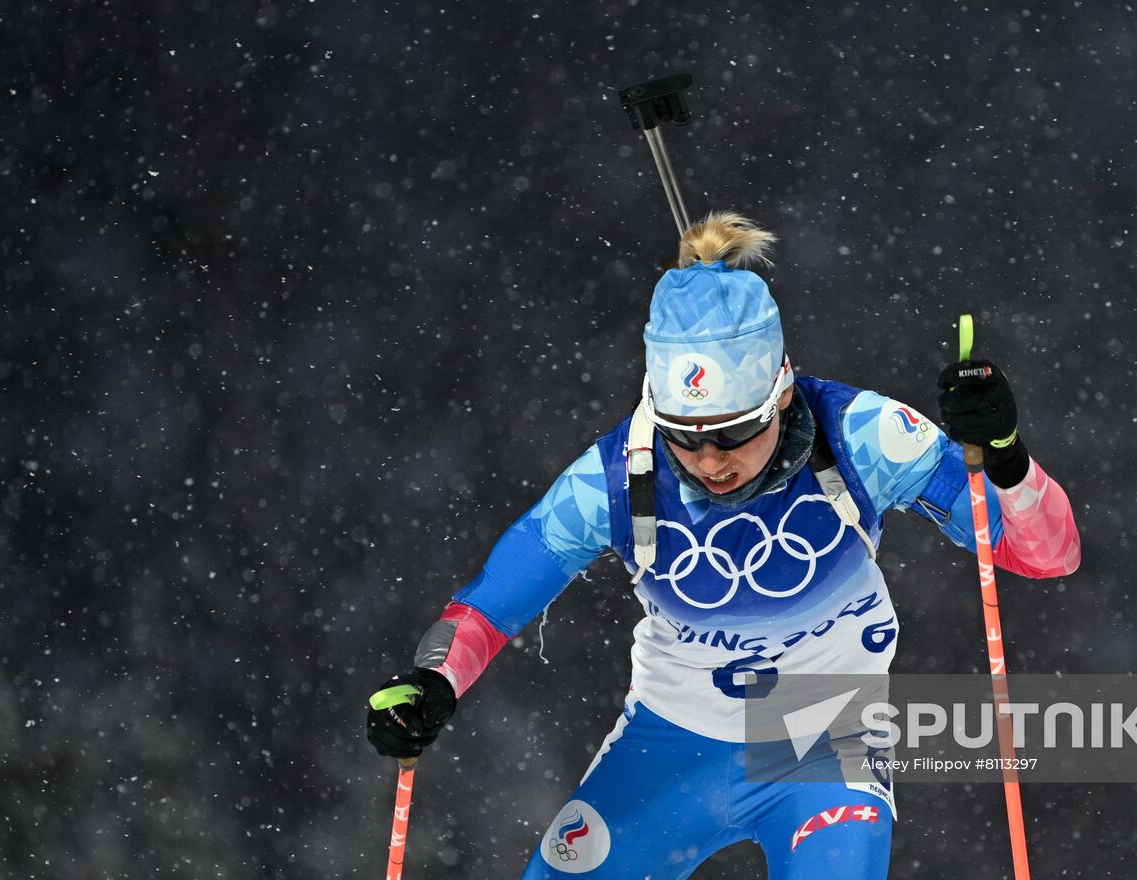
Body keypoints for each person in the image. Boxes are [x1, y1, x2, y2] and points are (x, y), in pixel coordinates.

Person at [366, 212, 1081, 879]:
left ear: (781, 391)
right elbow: (491, 606)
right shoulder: (614, 478)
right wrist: (435, 685)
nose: (711, 461)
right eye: (687, 437)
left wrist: (1007, 456)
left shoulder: (862, 434)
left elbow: (1046, 554)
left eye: (736, 432)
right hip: (670, 744)